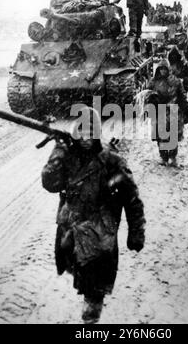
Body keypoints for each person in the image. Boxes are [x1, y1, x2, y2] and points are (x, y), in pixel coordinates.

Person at [41, 107, 145, 324]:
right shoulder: (69, 157)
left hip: (101, 232)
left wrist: (136, 232)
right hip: (73, 230)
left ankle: (90, 319)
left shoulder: (112, 161)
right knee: (80, 273)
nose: (86, 138)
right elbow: (50, 184)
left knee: (94, 286)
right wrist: (57, 155)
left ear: (97, 133)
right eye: (82, 132)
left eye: (91, 132)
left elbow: (132, 199)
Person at [148, 60, 188, 166]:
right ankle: (164, 158)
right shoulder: (153, 82)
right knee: (161, 136)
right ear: (158, 70)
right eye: (161, 69)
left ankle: (172, 157)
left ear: (168, 69)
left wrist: (186, 108)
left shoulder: (175, 81)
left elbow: (182, 96)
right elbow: (148, 95)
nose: (163, 71)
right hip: (159, 111)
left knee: (173, 136)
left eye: (164, 69)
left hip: (173, 111)